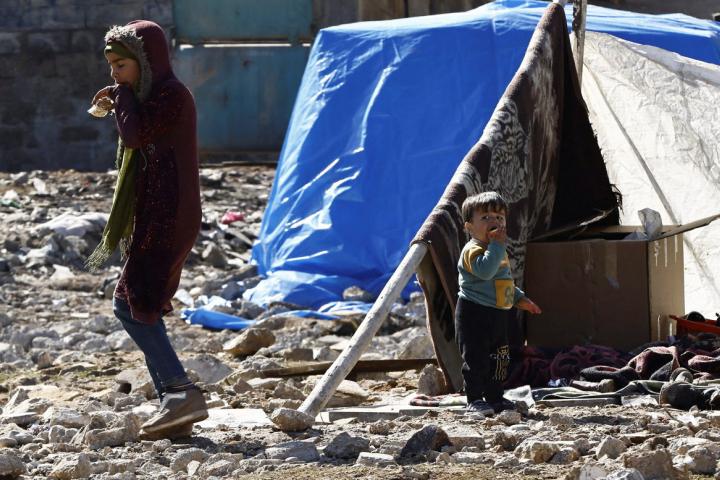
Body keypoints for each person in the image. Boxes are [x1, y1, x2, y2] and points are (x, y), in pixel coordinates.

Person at [87, 20, 207, 439]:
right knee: (143, 304)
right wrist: (122, 98)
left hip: (171, 215)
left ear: (146, 61)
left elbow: (135, 135)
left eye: (121, 66)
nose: (115, 74)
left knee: (129, 302)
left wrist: (121, 97)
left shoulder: (172, 95)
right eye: (111, 67)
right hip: (157, 215)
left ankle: (179, 392)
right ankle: (175, 410)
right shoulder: (152, 98)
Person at [455, 191, 542, 416]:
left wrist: (519, 298)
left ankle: (495, 396)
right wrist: (496, 246)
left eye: (499, 217)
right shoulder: (473, 250)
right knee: (476, 358)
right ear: (469, 227)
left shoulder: (497, 250)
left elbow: (502, 280)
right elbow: (485, 272)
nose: (494, 221)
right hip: (474, 312)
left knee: (499, 357)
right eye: (485, 218)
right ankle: (474, 399)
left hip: (497, 313)